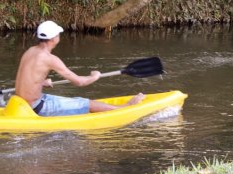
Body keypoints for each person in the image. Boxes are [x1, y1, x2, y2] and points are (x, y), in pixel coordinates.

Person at [14, 20, 145, 116]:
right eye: (58, 34)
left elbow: (26, 78)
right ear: (54, 38)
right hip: (36, 107)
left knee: (77, 101)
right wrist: (94, 76)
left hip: (24, 102)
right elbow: (79, 82)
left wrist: (41, 82)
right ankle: (126, 108)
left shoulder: (30, 51)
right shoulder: (50, 59)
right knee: (86, 104)